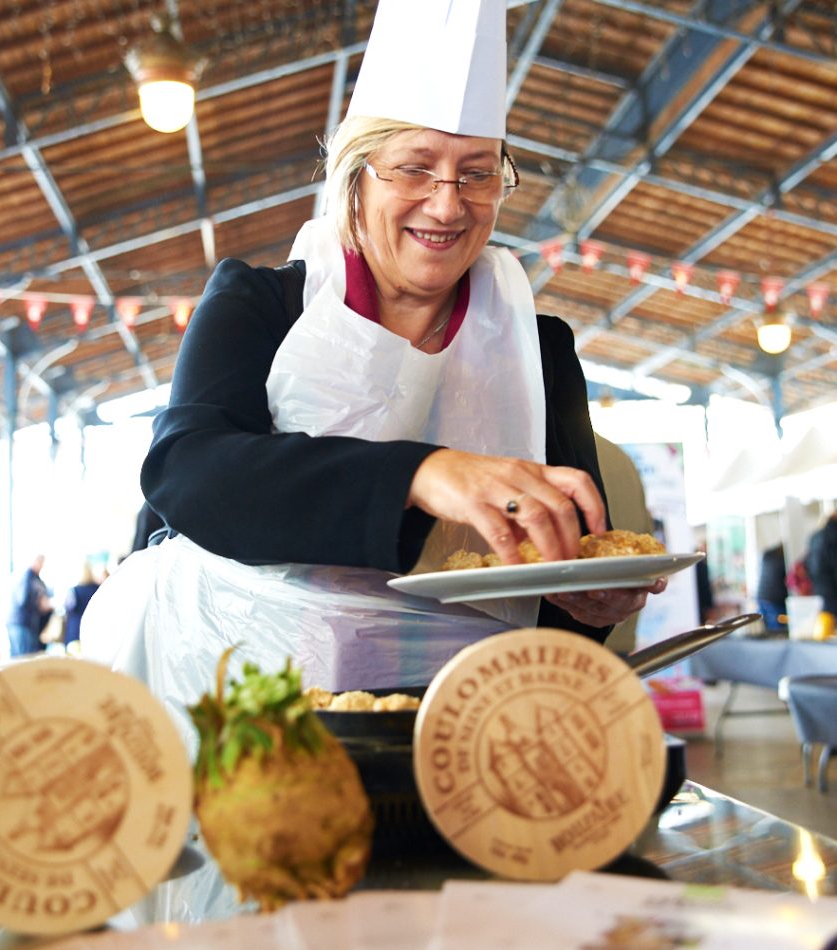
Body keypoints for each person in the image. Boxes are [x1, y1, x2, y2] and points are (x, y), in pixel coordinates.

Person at [82, 0, 663, 735]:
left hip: (465, 724)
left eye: (477, 174)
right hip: (236, 707)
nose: (447, 204)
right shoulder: (259, 303)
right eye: (415, 168)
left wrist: (591, 605)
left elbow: (555, 584)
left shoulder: (538, 349)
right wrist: (424, 474)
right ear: (356, 178)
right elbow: (187, 473)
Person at [593, 436, 655, 655]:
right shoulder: (621, 458)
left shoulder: (536, 450)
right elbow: (647, 546)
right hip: (619, 641)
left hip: (555, 654)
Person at [6, 553, 51, 657]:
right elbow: (23, 599)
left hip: (22, 624)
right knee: (23, 660)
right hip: (21, 624)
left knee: (20, 659)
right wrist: (39, 603)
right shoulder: (27, 577)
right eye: (41, 562)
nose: (42, 566)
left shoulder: (33, 578)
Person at [63, 562, 101, 647]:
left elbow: (69, 609)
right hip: (93, 631)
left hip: (75, 630)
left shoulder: (74, 591)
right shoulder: (98, 589)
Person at [807, 513, 837, 616]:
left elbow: (808, 562)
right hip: (832, 588)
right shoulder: (834, 535)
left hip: (819, 588)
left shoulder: (815, 536)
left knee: (828, 621)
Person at [756, 542, 788, 631]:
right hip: (775, 598)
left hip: (761, 596)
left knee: (767, 625)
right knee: (778, 628)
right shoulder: (783, 559)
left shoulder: (767, 554)